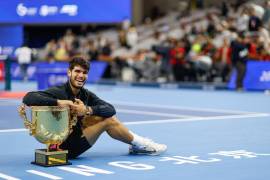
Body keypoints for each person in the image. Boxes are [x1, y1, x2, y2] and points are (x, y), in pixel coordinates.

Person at [21, 56, 167, 159]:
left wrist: (87, 110)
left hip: (77, 138)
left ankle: (138, 144)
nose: (81, 75)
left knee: (107, 116)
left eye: (84, 73)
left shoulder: (86, 94)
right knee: (108, 121)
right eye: (77, 71)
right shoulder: (59, 91)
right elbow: (28, 97)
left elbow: (110, 109)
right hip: (64, 146)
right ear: (69, 72)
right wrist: (59, 103)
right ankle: (141, 144)